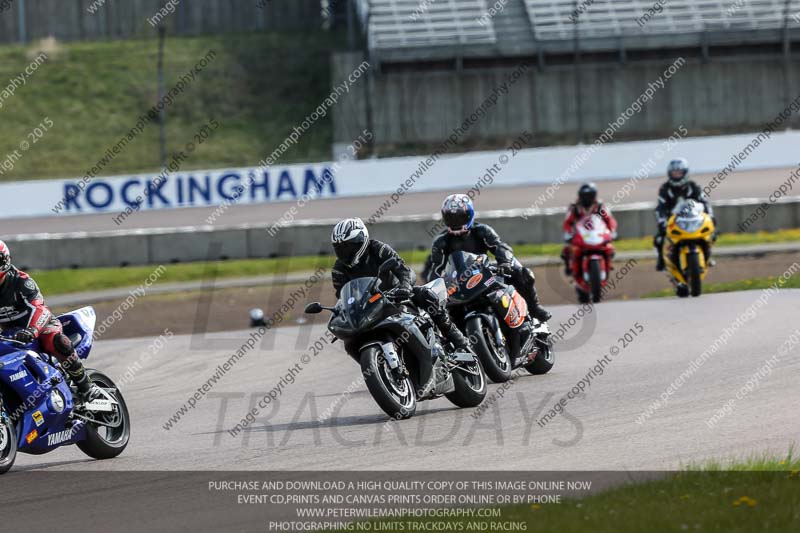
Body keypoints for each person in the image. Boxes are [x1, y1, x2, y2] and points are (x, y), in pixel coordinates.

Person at [330, 218, 470, 351]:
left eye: (350, 246)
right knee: (350, 339)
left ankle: (458, 340)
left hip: (396, 295)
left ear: (362, 240)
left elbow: (403, 269)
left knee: (427, 295)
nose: (345, 252)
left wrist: (405, 286)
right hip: (369, 307)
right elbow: (343, 298)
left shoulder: (378, 249)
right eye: (340, 248)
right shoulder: (338, 270)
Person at [0, 241, 100, 402]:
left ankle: (86, 387)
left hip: (39, 325)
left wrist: (32, 330)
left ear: (6, 260)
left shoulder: (21, 281)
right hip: (10, 334)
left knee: (55, 340)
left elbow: (40, 308)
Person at [428, 194, 552, 323]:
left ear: (469, 215)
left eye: (460, 217)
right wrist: (433, 289)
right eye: (451, 218)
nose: (456, 222)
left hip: (484, 273)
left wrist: (505, 263)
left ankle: (534, 307)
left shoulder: (482, 231)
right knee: (440, 311)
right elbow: (436, 268)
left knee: (522, 272)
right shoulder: (441, 242)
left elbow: (500, 247)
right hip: (459, 282)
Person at [654, 158, 715, 271]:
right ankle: (661, 261)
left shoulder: (694, 186)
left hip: (694, 219)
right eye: (674, 173)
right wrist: (662, 221)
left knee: (711, 235)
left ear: (685, 173)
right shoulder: (665, 189)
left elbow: (704, 203)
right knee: (658, 239)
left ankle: (708, 257)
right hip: (673, 221)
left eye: (679, 173)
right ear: (670, 174)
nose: (677, 175)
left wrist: (710, 216)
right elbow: (660, 208)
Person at [561, 183, 618, 276]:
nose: (587, 198)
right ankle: (570, 268)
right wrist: (568, 233)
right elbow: (567, 223)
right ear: (580, 196)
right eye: (585, 196)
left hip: (597, 234)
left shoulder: (600, 207)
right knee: (568, 250)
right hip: (579, 235)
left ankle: (607, 265)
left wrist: (612, 230)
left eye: (590, 195)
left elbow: (610, 220)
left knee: (609, 248)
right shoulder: (574, 208)